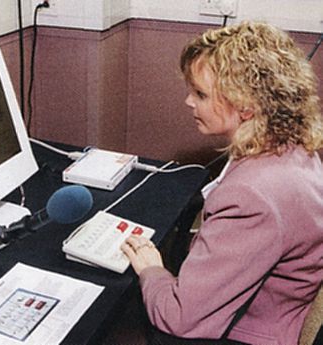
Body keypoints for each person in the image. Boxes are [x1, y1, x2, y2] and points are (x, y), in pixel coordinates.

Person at [121, 21, 323, 345]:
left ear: (246, 105)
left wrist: (151, 270)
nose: (189, 102)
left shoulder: (251, 196)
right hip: (281, 313)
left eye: (200, 93)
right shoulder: (297, 149)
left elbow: (179, 317)